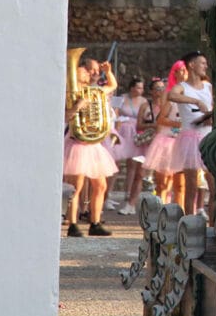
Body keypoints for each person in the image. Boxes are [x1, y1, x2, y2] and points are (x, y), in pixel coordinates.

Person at [63, 58, 119, 237]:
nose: (87, 74)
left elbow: (112, 85)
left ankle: (95, 222)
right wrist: (78, 106)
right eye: (84, 71)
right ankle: (73, 224)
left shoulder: (94, 91)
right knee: (76, 187)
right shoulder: (69, 93)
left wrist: (108, 72)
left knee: (100, 185)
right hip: (78, 144)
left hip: (93, 145)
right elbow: (65, 117)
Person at [165, 52, 215, 222]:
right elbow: (172, 95)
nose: (205, 66)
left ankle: (213, 225)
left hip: (207, 136)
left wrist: (210, 118)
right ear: (192, 65)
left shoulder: (208, 87)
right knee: (191, 185)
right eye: (202, 63)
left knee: (213, 185)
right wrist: (195, 101)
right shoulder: (182, 87)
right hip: (190, 139)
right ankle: (189, 223)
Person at [142, 61, 187, 204]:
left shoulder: (193, 93)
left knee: (181, 184)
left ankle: (181, 211)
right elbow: (161, 118)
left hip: (184, 140)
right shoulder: (168, 93)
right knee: (163, 182)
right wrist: (178, 123)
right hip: (167, 139)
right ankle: (162, 209)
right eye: (181, 70)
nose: (184, 73)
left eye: (185, 70)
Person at [106, 76, 147, 216]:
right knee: (115, 162)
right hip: (122, 130)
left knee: (133, 164)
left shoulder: (144, 101)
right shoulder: (121, 98)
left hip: (135, 131)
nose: (141, 90)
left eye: (142, 88)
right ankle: (108, 194)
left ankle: (128, 193)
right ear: (132, 88)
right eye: (138, 87)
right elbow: (114, 113)